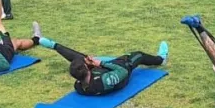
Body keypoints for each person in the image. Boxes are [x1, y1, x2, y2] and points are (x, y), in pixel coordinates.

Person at [38, 36, 167, 96]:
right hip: (120, 70)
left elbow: (86, 72)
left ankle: (53, 45)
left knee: (81, 57)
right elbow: (122, 71)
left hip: (100, 72)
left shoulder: (78, 86)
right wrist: (101, 63)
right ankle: (161, 59)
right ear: (88, 68)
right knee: (138, 55)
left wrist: (90, 63)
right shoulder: (104, 80)